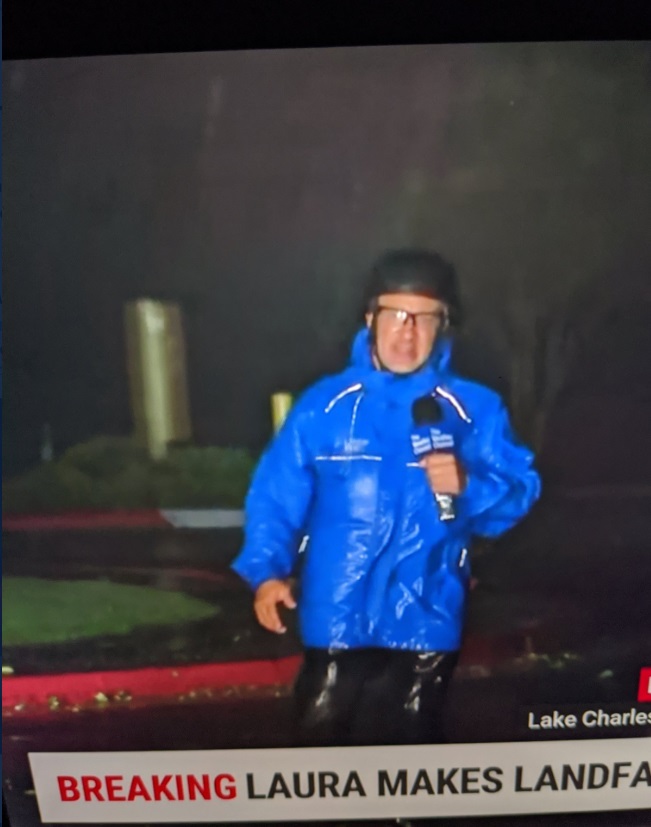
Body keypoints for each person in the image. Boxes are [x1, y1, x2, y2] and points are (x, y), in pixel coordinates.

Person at [232, 249, 541, 746]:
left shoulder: (473, 409)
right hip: (336, 608)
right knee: (318, 739)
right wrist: (266, 573)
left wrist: (470, 484)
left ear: (445, 325)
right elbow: (276, 495)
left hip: (428, 608)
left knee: (413, 746)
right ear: (370, 318)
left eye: (424, 318)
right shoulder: (324, 406)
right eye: (395, 314)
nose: (407, 331)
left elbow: (520, 492)